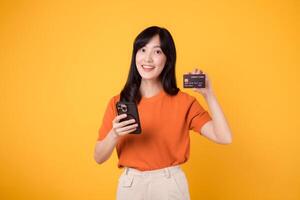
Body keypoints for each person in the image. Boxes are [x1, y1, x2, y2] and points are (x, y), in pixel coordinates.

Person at [94, 26, 232, 200]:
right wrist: (114, 134)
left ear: (168, 59)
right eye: (142, 50)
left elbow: (224, 137)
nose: (148, 58)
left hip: (169, 184)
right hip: (131, 186)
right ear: (135, 55)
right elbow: (98, 157)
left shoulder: (184, 102)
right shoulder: (118, 102)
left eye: (157, 51)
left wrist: (209, 94)